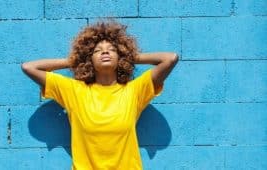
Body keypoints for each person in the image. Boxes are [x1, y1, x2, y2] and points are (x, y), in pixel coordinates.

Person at [21, 19, 178, 170]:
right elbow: (29, 67)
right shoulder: (73, 90)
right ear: (89, 59)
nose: (105, 52)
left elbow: (170, 59)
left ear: (120, 57)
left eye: (112, 50)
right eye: (97, 50)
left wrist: (129, 56)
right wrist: (76, 59)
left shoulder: (134, 90)